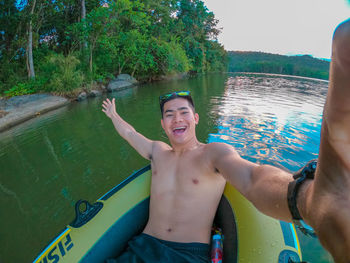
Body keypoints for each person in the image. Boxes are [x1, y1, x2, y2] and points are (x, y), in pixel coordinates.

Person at [102, 19, 350, 263]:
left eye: (183, 112)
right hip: (140, 248)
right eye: (169, 114)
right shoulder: (157, 151)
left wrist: (305, 199)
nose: (177, 119)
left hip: (187, 255)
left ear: (196, 118)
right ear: (162, 124)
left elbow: (253, 178)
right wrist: (114, 115)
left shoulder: (214, 154)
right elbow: (130, 134)